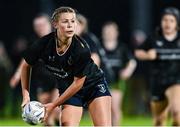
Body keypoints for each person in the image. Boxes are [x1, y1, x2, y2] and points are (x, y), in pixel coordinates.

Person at [21, 6, 112, 126]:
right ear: (55, 24)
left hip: (93, 85)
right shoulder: (43, 44)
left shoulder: (81, 49)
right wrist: (26, 96)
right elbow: (25, 66)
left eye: (73, 21)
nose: (70, 25)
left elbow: (78, 82)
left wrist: (53, 105)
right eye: (65, 21)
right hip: (69, 88)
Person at [10, 14, 59, 126]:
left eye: (42, 24)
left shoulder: (59, 38)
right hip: (42, 81)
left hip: (59, 79)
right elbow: (25, 61)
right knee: (45, 117)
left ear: (50, 25)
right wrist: (17, 75)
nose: (40, 28)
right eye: (37, 25)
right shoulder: (33, 42)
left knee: (54, 109)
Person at [135, 7, 180, 126]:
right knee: (159, 120)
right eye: (165, 20)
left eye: (171, 20)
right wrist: (147, 55)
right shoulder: (154, 38)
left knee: (177, 112)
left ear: (176, 23)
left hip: (176, 80)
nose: (168, 23)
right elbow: (138, 52)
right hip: (158, 81)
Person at [101, 21, 136, 125]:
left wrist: (127, 71)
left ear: (116, 33)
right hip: (100, 82)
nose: (109, 33)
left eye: (111, 31)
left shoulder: (122, 48)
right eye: (107, 31)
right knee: (103, 110)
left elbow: (132, 61)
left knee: (115, 108)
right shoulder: (99, 47)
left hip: (116, 82)